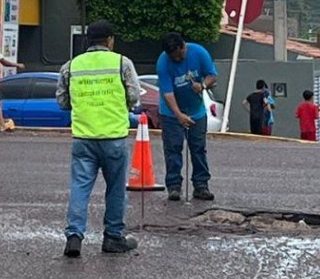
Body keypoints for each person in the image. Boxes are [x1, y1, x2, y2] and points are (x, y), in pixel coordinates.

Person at [57, 20, 141, 257]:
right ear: (110, 40)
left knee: (80, 188)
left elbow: (62, 101)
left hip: (83, 137)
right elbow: (133, 95)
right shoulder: (121, 63)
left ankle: (74, 237)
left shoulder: (71, 66)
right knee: (115, 189)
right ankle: (113, 237)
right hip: (113, 136)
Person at [156, 32, 218, 202]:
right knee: (173, 149)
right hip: (171, 113)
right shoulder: (163, 62)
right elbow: (167, 93)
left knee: (198, 148)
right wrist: (178, 115)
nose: (177, 59)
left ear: (183, 46)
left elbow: (212, 75)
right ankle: (174, 186)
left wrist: (203, 85)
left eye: (180, 55)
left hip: (196, 110)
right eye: (173, 57)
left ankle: (201, 185)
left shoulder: (199, 53)